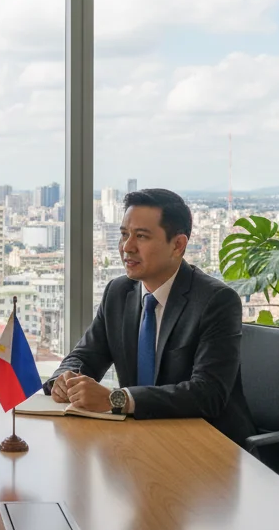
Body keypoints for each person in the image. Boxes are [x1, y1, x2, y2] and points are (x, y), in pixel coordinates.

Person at [46, 188, 255, 445]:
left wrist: (117, 399)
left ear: (178, 245)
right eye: (124, 235)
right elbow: (84, 357)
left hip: (207, 447)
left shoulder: (216, 301)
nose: (127, 247)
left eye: (141, 236)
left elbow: (207, 394)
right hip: (139, 440)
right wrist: (64, 380)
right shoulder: (118, 292)